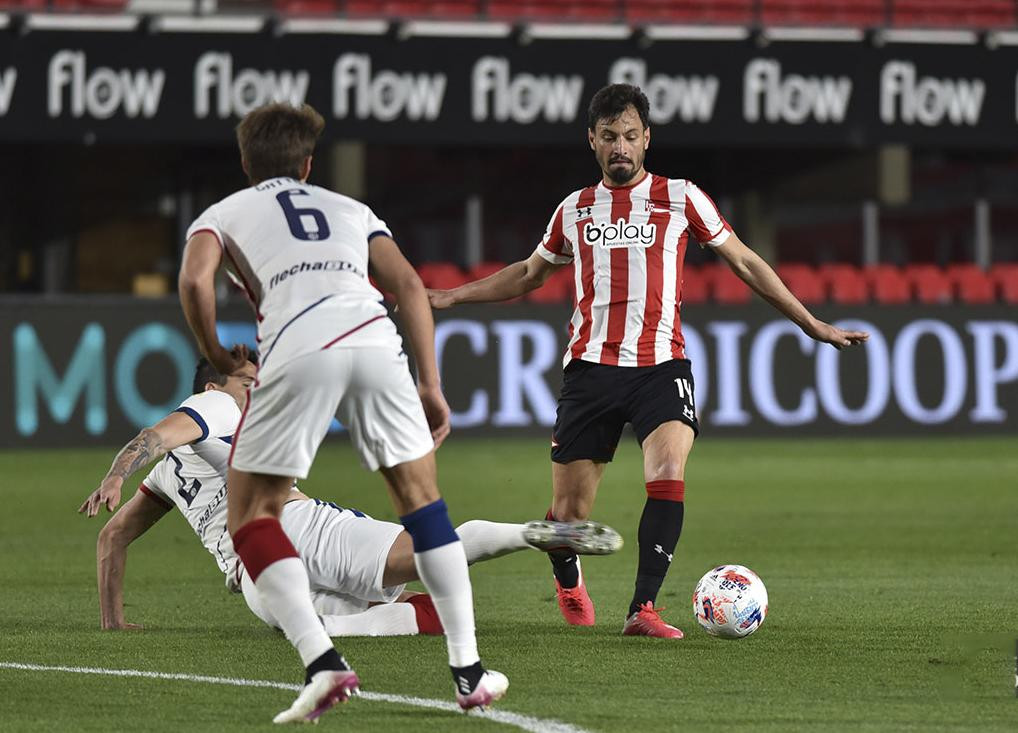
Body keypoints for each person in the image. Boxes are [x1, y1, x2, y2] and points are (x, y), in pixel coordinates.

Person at [428, 83, 869, 639]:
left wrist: (811, 323)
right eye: (609, 136)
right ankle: (568, 575)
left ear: (647, 139)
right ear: (592, 140)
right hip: (590, 369)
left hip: (662, 366)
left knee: (666, 472)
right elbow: (526, 274)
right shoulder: (575, 209)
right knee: (568, 516)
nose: (621, 146)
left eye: (631, 136)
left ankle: (643, 609)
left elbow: (746, 263)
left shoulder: (682, 197)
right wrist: (447, 297)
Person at [176, 102, 505, 722]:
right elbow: (408, 286)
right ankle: (469, 672)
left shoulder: (222, 214)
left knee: (251, 513)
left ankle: (323, 663)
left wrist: (215, 351)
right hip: (376, 342)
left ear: (246, 162)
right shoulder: (351, 210)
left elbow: (195, 283)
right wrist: (429, 382)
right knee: (423, 507)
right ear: (307, 163)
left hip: (297, 347)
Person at [78, 357, 621, 639]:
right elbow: (155, 435)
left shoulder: (172, 476)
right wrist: (114, 472)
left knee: (425, 614)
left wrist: (113, 622)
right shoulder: (215, 405)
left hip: (257, 585)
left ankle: (320, 630)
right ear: (216, 384)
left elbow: (112, 537)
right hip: (296, 528)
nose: (256, 389)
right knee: (432, 555)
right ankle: (532, 534)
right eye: (248, 380)